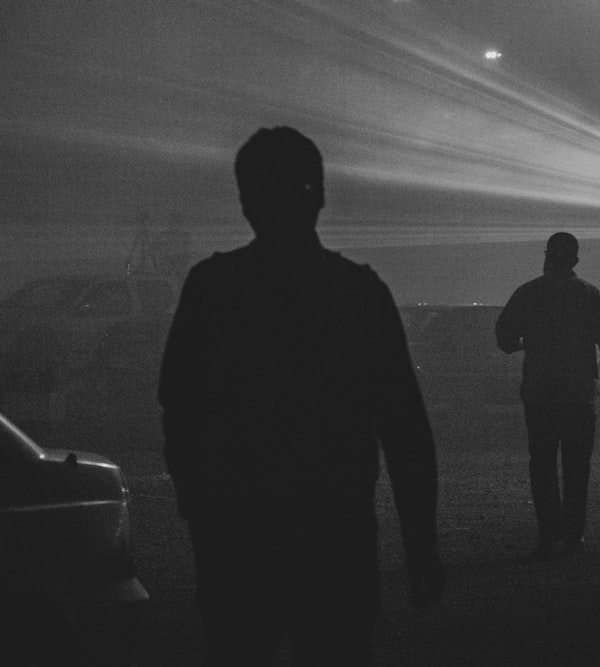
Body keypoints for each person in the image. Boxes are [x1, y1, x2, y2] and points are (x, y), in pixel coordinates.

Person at [158, 126, 443, 665]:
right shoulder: (360, 293)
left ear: (246, 200)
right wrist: (420, 547)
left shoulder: (212, 288)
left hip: (238, 540)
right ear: (318, 193)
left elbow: (181, 408)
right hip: (335, 538)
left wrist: (200, 512)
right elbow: (405, 428)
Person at [495, 232, 600, 561]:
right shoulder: (590, 296)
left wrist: (526, 343)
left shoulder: (529, 293)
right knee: (576, 468)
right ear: (574, 260)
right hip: (578, 395)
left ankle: (548, 534)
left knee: (542, 465)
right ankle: (573, 537)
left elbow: (503, 339)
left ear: (547, 257)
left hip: (540, 394)